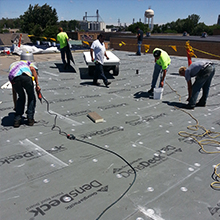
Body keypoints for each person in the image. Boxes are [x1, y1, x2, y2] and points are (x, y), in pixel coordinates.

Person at [8, 60, 40, 127]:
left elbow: (14, 92)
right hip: (26, 77)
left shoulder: (14, 67)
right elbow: (33, 69)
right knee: (31, 97)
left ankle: (17, 120)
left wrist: (15, 106)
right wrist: (37, 85)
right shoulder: (29, 64)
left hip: (14, 79)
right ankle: (30, 118)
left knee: (21, 97)